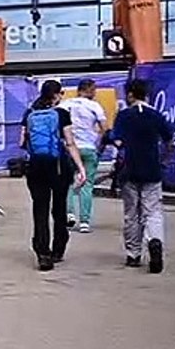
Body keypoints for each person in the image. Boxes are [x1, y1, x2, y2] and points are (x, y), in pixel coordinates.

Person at [20, 79, 87, 271]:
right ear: (57, 95)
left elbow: (21, 142)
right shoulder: (61, 114)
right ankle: (58, 248)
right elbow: (70, 142)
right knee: (59, 208)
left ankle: (42, 252)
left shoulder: (29, 113)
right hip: (58, 166)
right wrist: (80, 168)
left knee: (39, 208)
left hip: (35, 166)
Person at [110, 78, 175, 273]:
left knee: (132, 213)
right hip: (152, 169)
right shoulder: (156, 116)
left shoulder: (123, 116)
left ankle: (133, 254)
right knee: (153, 211)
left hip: (130, 170)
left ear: (130, 94)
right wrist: (164, 159)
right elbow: (170, 141)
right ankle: (155, 241)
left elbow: (118, 141)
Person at [60, 79, 107, 233]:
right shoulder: (95, 106)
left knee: (67, 182)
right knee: (87, 185)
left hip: (70, 148)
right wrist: (98, 143)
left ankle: (69, 214)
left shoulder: (65, 104)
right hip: (88, 148)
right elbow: (104, 129)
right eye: (94, 90)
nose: (95, 93)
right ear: (88, 90)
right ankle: (85, 221)